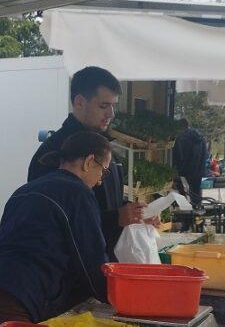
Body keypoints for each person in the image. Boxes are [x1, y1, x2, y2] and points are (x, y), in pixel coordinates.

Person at [0, 131, 113, 327]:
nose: (99, 181)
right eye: (103, 171)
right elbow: (91, 261)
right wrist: (119, 299)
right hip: (11, 305)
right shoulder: (77, 193)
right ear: (89, 162)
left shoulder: (25, 190)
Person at [28, 66, 145, 260]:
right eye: (104, 106)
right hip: (70, 268)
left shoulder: (106, 148)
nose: (111, 114)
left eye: (113, 106)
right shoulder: (53, 154)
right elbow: (51, 221)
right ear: (79, 102)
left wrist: (132, 213)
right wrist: (115, 217)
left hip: (103, 260)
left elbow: (106, 200)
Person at [171, 118, 208, 209]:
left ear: (180, 127)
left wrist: (176, 169)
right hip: (199, 171)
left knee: (184, 194)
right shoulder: (201, 137)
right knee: (196, 193)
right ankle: (197, 211)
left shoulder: (182, 138)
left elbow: (178, 156)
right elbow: (206, 155)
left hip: (185, 171)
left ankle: (186, 213)